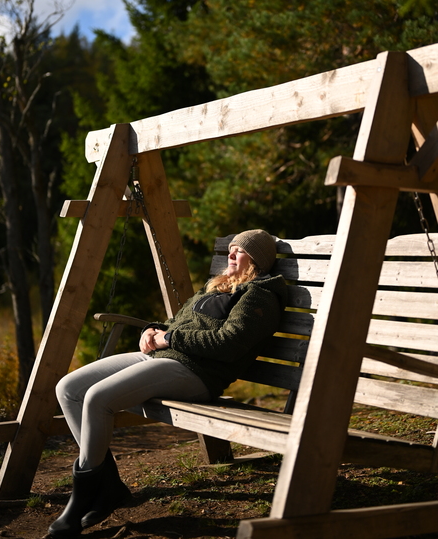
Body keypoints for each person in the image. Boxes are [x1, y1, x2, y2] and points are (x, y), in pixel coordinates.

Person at [48, 229, 287, 538]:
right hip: (164, 357)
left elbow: (229, 343)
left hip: (196, 373)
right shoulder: (217, 286)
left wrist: (169, 338)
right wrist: (152, 330)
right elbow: (176, 324)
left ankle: (81, 500)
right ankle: (108, 487)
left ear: (257, 261)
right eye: (230, 249)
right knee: (68, 388)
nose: (231, 254)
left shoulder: (260, 296)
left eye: (240, 251)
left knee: (97, 399)